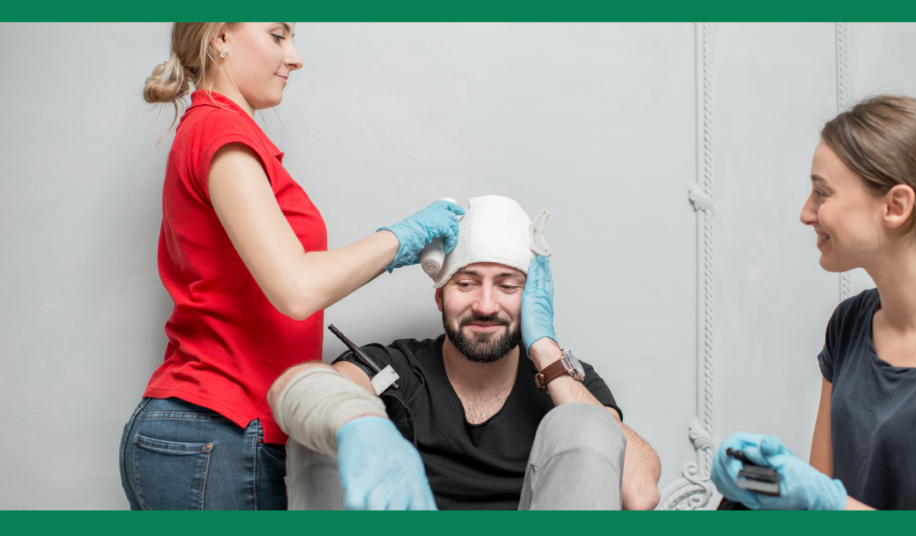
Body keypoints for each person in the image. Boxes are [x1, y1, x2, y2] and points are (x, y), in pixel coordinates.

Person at [118, 22, 465, 510]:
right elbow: (296, 288)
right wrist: (399, 240)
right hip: (216, 431)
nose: (296, 56)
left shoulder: (218, 131)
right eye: (278, 35)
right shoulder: (222, 133)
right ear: (220, 38)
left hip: (209, 434)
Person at [711, 96, 916, 510]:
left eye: (822, 193)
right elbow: (821, 501)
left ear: (895, 207)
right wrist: (765, 485)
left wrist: (829, 504)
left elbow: (831, 504)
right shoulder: (850, 322)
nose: (807, 213)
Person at [268, 195, 662, 510]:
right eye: (467, 283)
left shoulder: (567, 379)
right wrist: (359, 423)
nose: (486, 305)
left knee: (587, 423)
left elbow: (639, 492)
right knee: (318, 426)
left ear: (532, 301)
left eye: (508, 286)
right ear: (439, 296)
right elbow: (298, 388)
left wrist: (545, 350)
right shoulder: (397, 369)